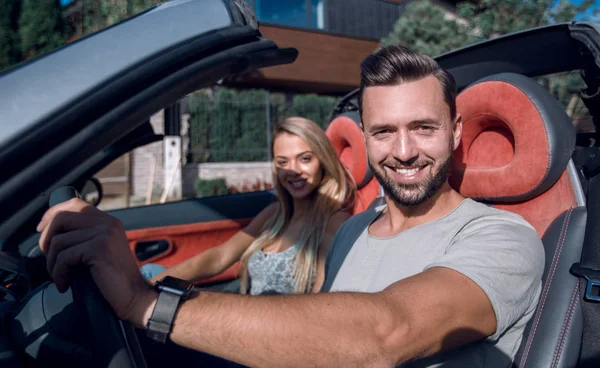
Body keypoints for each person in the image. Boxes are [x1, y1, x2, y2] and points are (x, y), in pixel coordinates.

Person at [38, 45, 544, 368]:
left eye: (424, 128)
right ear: (365, 138)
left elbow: (386, 332)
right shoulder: (357, 232)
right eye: (385, 132)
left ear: (455, 132)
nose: (405, 151)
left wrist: (143, 302)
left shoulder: (502, 237)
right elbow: (317, 337)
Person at [142, 117, 356, 295]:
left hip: (268, 334)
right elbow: (219, 257)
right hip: (242, 312)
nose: (292, 170)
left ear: (323, 162)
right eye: (283, 162)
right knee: (150, 272)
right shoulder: (275, 214)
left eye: (305, 159)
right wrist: (150, 288)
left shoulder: (334, 220)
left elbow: (322, 295)